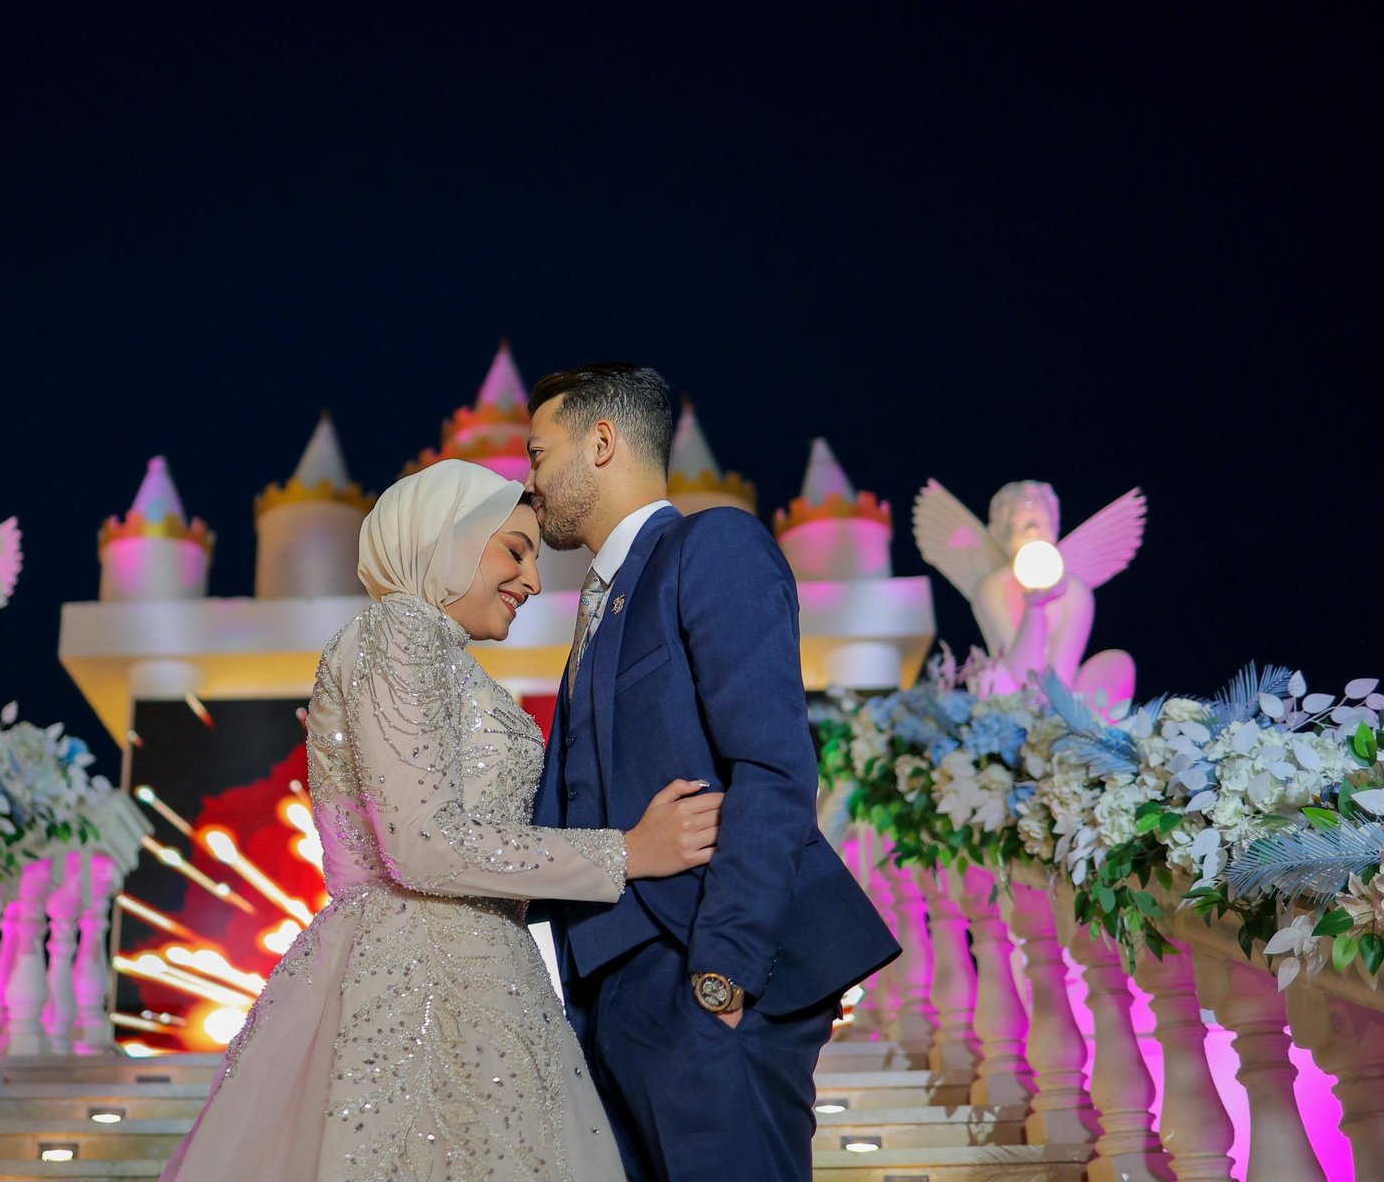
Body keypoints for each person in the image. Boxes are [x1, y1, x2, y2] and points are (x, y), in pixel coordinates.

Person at [163, 457, 721, 1182]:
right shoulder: (399, 631)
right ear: (444, 537)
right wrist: (628, 854)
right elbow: (423, 847)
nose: (530, 579)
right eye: (513, 549)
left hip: (478, 972)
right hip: (418, 976)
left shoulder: (439, 656)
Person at [525, 363, 900, 1182]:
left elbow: (773, 769)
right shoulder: (598, 607)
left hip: (700, 975)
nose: (531, 480)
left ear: (601, 441)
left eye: (537, 453)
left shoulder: (711, 545)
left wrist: (721, 974)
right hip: (609, 1002)